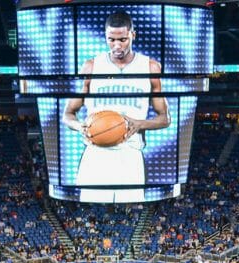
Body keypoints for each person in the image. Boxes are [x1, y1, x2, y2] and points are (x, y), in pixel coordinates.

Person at [63, 10, 170, 193]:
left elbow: (165, 118)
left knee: (132, 213)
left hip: (130, 153)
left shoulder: (150, 67)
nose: (117, 45)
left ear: (132, 35)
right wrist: (80, 126)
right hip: (95, 154)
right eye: (111, 39)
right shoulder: (91, 66)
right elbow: (68, 114)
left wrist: (141, 124)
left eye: (122, 40)